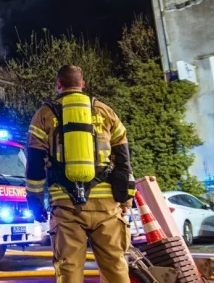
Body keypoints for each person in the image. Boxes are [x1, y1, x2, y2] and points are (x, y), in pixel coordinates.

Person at [25, 64, 136, 283]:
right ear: (82, 84)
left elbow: (35, 164)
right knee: (116, 268)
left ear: (59, 85)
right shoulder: (105, 111)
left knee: (69, 271)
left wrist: (35, 203)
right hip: (106, 207)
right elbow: (124, 160)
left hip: (66, 206)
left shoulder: (44, 115)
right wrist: (126, 199)